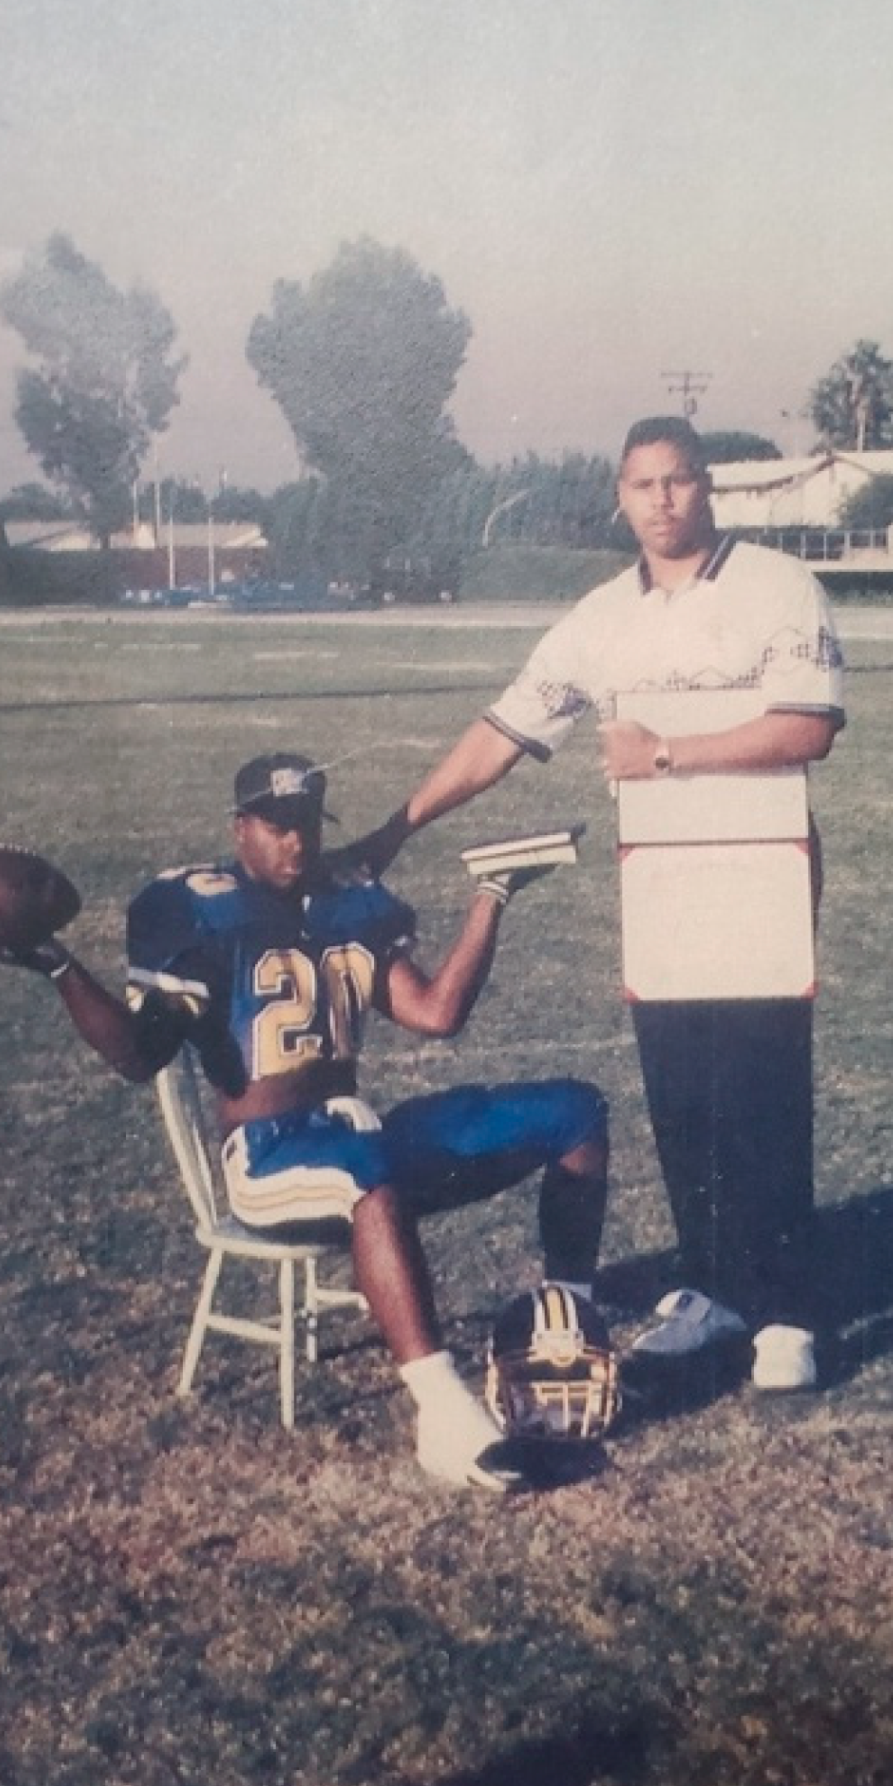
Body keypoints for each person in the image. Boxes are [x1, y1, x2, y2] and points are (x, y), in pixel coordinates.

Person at [351, 416, 846, 1394]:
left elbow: (809, 727)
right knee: (684, 1094)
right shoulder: (598, 617)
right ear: (619, 498)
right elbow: (502, 731)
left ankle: (787, 1310)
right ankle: (713, 1286)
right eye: (641, 485)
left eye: (678, 481)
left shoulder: (778, 586)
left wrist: (666, 753)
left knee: (761, 1091)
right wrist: (396, 826)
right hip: (660, 876)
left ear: (707, 488)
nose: (662, 500)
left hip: (759, 866)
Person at [0, 752, 609, 1494]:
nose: (295, 844)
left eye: (306, 825)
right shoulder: (195, 907)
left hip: (357, 1135)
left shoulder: (346, 902)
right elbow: (139, 1055)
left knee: (573, 1110)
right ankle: (443, 1415)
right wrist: (57, 964)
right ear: (240, 827)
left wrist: (490, 896)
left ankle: (573, 1320)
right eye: (276, 827)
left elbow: (436, 1013)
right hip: (271, 1158)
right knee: (362, 1170)